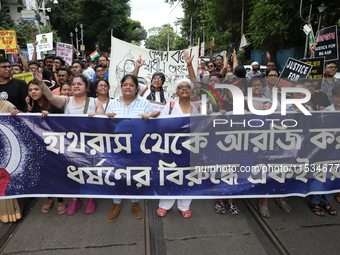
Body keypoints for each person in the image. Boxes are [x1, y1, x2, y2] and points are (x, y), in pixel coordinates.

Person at [33, 70, 104, 215]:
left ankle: (91, 198)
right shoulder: (66, 100)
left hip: (90, 145)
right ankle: (75, 199)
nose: (76, 86)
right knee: (73, 171)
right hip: (70, 145)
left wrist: (96, 116)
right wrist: (40, 82)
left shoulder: (95, 101)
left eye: (79, 84)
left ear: (87, 86)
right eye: (73, 84)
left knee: (88, 171)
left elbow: (103, 121)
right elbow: (51, 97)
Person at [105, 74, 160, 223]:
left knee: (136, 174)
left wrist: (152, 117)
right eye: (125, 84)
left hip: (138, 147)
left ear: (136, 88)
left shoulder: (144, 103)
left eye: (131, 85)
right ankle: (116, 204)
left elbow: (153, 124)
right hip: (117, 148)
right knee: (116, 175)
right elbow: (105, 126)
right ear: (121, 87)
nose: (128, 87)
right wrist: (106, 117)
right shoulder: (113, 103)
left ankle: (135, 202)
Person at [12, 79, 67, 214]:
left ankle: (60, 200)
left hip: (55, 145)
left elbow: (62, 123)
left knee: (56, 172)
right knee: (45, 172)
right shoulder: (30, 105)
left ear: (43, 89)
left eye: (36, 89)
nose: (33, 92)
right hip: (39, 146)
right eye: (30, 90)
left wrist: (49, 117)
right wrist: (21, 113)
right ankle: (49, 198)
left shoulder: (53, 104)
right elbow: (27, 124)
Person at [156, 78, 200, 218]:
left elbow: (204, 125)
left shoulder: (198, 107)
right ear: (177, 92)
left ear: (191, 91)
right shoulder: (170, 106)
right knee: (170, 175)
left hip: (191, 148)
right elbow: (160, 125)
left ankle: (184, 205)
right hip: (172, 148)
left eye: (187, 86)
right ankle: (164, 205)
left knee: (188, 176)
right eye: (181, 87)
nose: (184, 89)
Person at [0, 100, 22, 223]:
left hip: (5, 152)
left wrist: (19, 114)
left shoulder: (7, 106)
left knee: (4, 184)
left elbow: (20, 126)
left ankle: (12, 212)